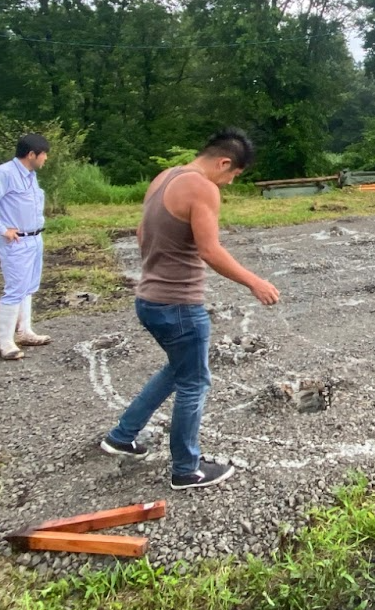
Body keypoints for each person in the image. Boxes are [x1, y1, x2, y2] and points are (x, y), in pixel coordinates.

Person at [100, 128, 280, 488]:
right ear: (224, 163)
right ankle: (186, 469)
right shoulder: (202, 188)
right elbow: (209, 250)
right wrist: (255, 282)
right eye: (234, 175)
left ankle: (122, 435)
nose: (230, 183)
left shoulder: (164, 178)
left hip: (149, 299)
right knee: (194, 382)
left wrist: (160, 268)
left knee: (178, 370)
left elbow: (141, 233)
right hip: (179, 306)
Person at [0, 133, 51, 360]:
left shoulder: (30, 176)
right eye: (44, 154)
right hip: (16, 241)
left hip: (34, 238)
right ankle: (5, 341)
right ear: (32, 154)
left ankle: (24, 331)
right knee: (15, 289)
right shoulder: (5, 173)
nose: (46, 158)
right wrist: (1, 228)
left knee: (28, 286)